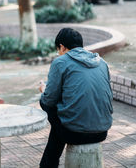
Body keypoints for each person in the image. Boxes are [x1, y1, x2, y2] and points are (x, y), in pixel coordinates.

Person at [38, 28, 113, 168]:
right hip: (102, 131)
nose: (59, 54)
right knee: (62, 117)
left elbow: (49, 100)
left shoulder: (60, 62)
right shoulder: (102, 62)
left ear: (62, 46)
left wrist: (44, 90)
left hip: (74, 133)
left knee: (49, 106)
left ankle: (47, 165)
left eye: (58, 50)